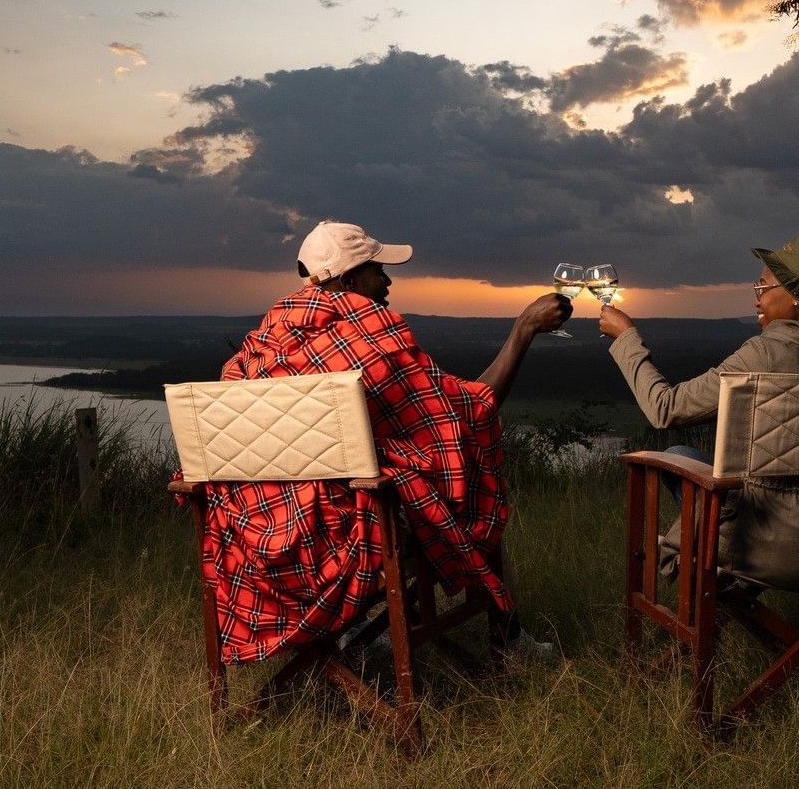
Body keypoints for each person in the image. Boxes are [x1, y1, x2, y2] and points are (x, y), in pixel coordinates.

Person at [199, 220, 570, 665]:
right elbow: (470, 412)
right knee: (472, 483)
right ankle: (508, 641)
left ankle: (352, 631)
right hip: (348, 538)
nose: (388, 281)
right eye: (378, 270)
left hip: (261, 538)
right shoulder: (373, 339)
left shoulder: (262, 344)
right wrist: (523, 330)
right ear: (349, 282)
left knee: (347, 478)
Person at [597, 225, 799, 592]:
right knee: (686, 454)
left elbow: (665, 408)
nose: (756, 300)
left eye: (762, 287)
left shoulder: (763, 356)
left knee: (676, 456)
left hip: (770, 548)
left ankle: (722, 591)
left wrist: (626, 337)